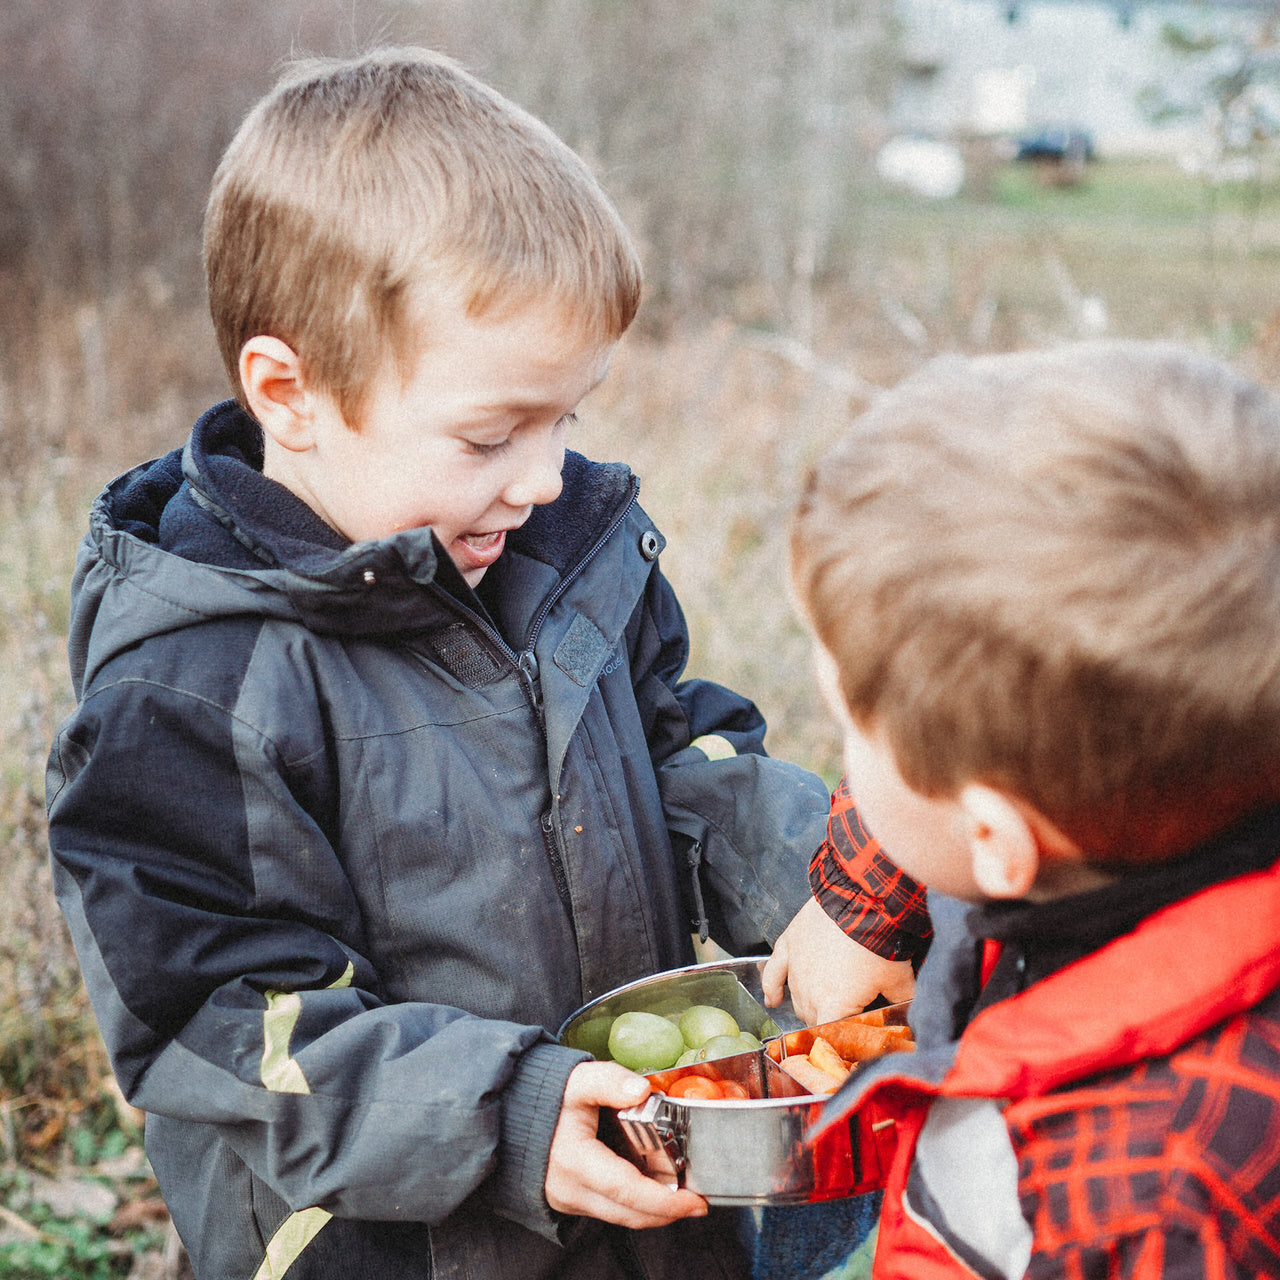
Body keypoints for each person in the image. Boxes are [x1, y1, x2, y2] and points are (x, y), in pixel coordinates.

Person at [43, 48, 836, 1280]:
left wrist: (831, 884)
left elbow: (685, 752)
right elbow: (220, 1021)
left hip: (644, 1213)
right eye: (489, 433)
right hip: (393, 1249)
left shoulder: (567, 562)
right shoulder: (190, 688)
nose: (543, 476)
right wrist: (505, 1111)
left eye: (568, 417)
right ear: (289, 391)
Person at [786, 339, 1280, 1278]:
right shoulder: (1185, 784)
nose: (849, 776)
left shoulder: (1158, 1202)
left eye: (851, 726)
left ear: (997, 839)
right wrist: (871, 887)